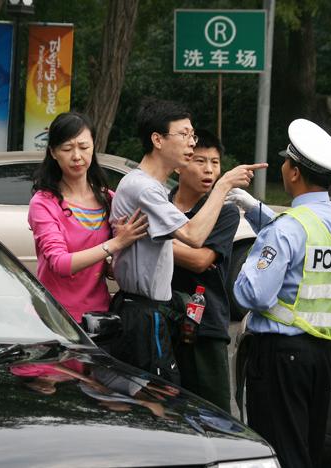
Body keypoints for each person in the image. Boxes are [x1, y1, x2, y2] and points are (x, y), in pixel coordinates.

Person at [108, 97, 266, 383]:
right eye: (184, 134)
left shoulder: (148, 186)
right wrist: (224, 186)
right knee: (155, 398)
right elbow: (194, 236)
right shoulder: (145, 188)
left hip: (148, 311)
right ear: (157, 139)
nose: (191, 143)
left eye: (192, 135)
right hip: (143, 314)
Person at [232, 118, 331, 468]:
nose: (284, 168)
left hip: (280, 356)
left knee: (280, 451)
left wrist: (245, 264)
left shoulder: (289, 227)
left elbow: (253, 295)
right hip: (320, 355)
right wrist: (255, 210)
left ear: (295, 173)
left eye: (286, 162)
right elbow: (300, 239)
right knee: (306, 448)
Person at [28, 111, 148, 323]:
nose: (77, 156)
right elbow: (60, 263)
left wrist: (114, 263)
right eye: (67, 149)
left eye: (84, 147)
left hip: (99, 316)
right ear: (53, 152)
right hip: (56, 317)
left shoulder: (107, 198)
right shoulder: (43, 203)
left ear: (94, 146)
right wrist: (116, 243)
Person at [168, 128, 240, 413]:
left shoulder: (225, 212)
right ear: (179, 164)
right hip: (162, 322)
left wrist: (153, 242)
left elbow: (200, 261)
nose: (209, 170)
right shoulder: (160, 204)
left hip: (205, 328)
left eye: (215, 162)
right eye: (200, 161)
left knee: (213, 416)